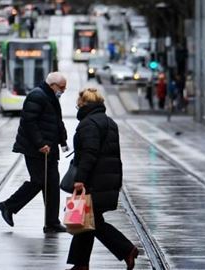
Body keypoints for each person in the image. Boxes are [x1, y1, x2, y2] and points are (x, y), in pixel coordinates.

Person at [66, 88, 139, 270]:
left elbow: (90, 154)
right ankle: (80, 265)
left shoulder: (89, 124)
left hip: (95, 180)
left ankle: (127, 249)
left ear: (84, 104)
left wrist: (80, 178)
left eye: (78, 104)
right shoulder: (108, 121)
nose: (77, 107)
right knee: (87, 221)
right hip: (107, 179)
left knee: (93, 222)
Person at [0, 72, 69, 233]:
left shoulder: (50, 96)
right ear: (53, 85)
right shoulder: (37, 96)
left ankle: (51, 223)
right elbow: (29, 122)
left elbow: (56, 121)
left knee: (52, 185)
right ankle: (8, 206)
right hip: (35, 150)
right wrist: (40, 144)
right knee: (38, 181)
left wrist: (63, 141)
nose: (63, 90)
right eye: (62, 87)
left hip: (50, 150)